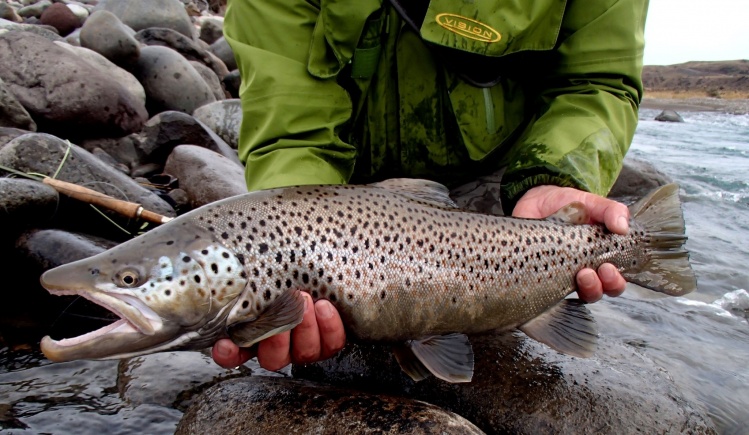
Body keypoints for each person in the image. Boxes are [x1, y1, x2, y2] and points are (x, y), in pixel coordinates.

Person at [213, 0, 646, 370]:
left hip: (510, 183)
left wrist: (557, 179)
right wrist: (309, 251)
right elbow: (290, 130)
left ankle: (545, 290)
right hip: (347, 196)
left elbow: (597, 81)